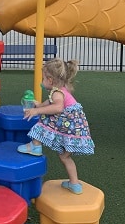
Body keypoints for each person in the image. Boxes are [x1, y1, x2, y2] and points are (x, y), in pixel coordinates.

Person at [17, 58, 94, 194]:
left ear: (50, 80)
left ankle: (35, 145)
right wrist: (40, 105)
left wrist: (37, 110)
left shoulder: (58, 93)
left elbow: (57, 107)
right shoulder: (60, 90)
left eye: (43, 79)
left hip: (69, 124)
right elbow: (50, 101)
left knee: (44, 120)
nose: (42, 82)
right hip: (75, 126)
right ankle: (74, 184)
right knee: (64, 156)